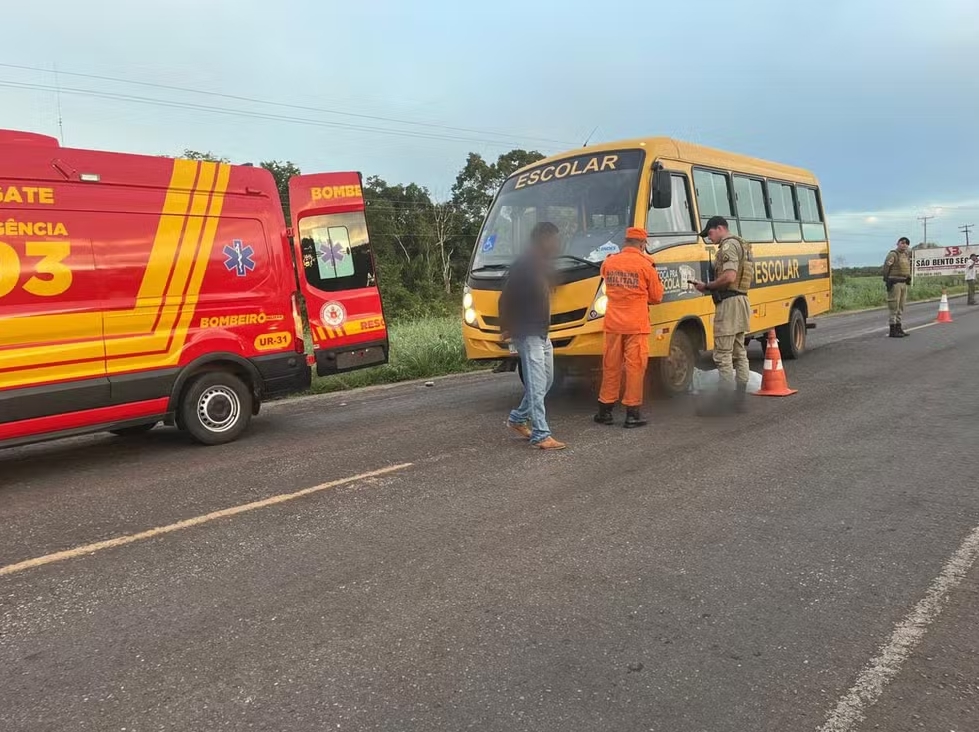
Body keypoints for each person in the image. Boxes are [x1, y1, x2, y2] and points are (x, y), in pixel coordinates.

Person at [499, 221, 566, 451]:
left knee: (547, 380)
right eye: (554, 239)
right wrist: (506, 326)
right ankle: (541, 434)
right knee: (537, 385)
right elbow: (505, 297)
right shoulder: (525, 265)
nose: (557, 244)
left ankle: (518, 418)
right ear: (543, 239)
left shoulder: (541, 264)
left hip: (541, 331)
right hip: (527, 332)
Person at [593, 227, 664, 428]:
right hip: (636, 324)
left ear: (626, 242)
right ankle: (632, 414)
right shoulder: (645, 265)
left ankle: (605, 410)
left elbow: (605, 282)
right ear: (642, 244)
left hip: (613, 324)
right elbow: (656, 297)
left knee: (611, 366)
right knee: (635, 368)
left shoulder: (609, 262)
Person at [691, 216, 753, 415]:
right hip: (741, 300)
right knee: (739, 352)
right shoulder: (742, 244)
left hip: (729, 304)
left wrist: (707, 286)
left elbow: (729, 276)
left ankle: (723, 402)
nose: (709, 238)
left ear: (720, 228)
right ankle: (739, 400)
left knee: (723, 354)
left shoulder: (728, 246)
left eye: (710, 233)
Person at [882, 236, 912, 337]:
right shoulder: (893, 254)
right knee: (894, 306)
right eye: (902, 243)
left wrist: (908, 277)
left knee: (901, 307)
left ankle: (898, 328)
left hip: (903, 283)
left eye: (906, 244)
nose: (904, 245)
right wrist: (887, 280)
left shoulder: (906, 255)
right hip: (895, 283)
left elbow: (907, 267)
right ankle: (893, 329)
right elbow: (886, 268)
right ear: (897, 243)